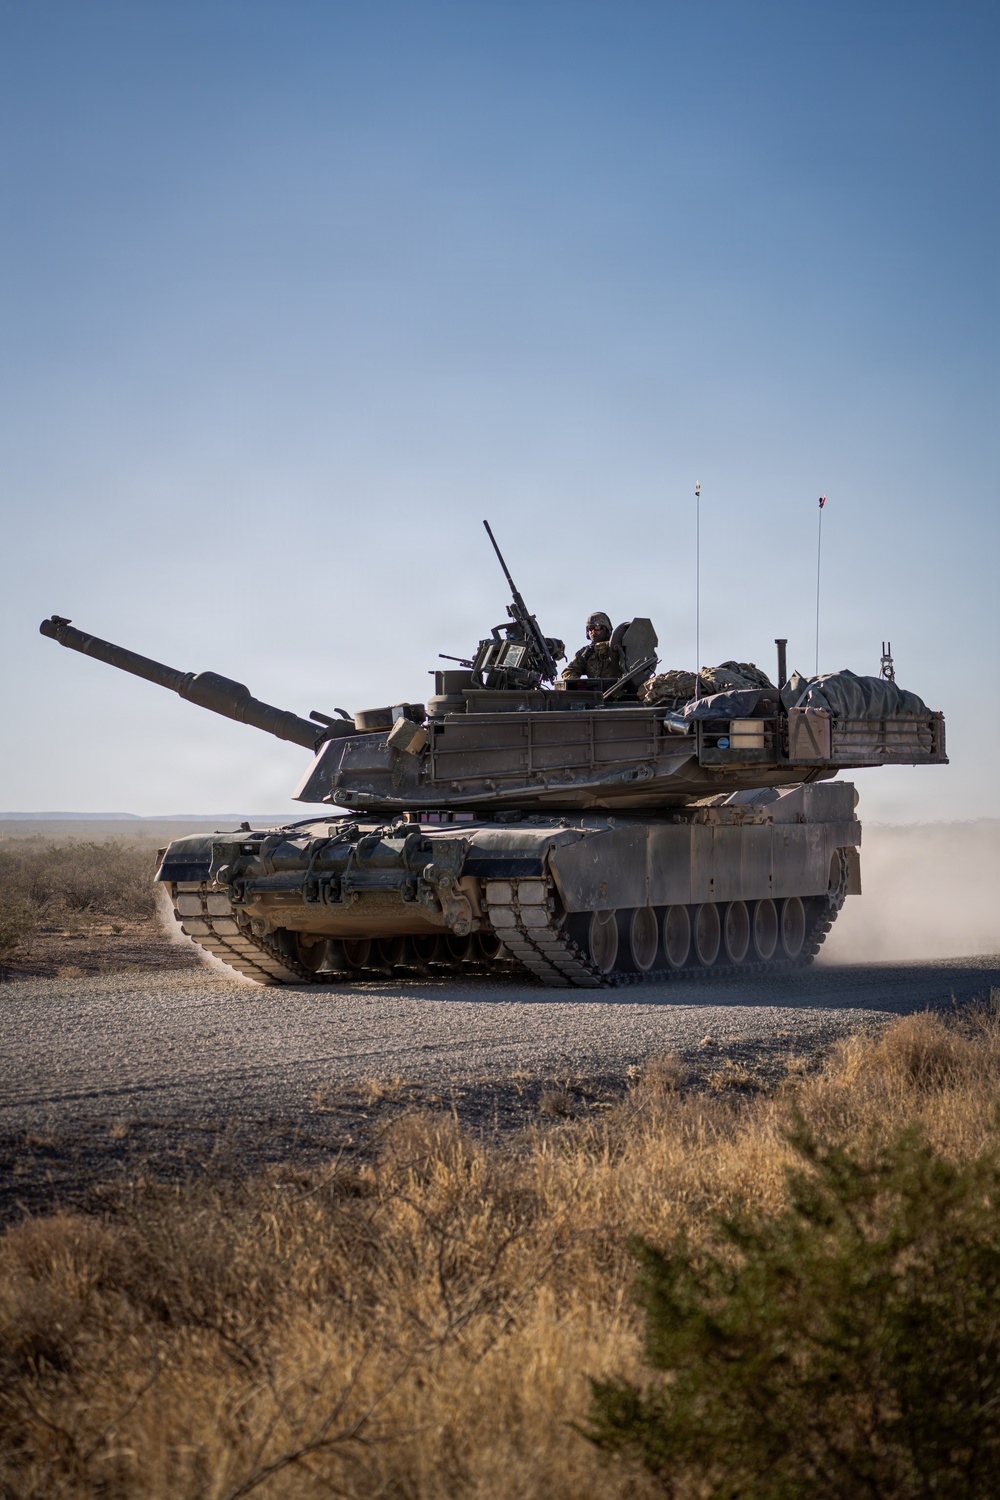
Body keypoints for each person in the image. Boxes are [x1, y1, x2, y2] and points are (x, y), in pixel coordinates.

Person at [561, 612, 626, 683]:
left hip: (619, 690)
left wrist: (608, 646)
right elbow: (568, 672)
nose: (593, 631)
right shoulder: (586, 652)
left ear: (606, 629)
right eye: (590, 628)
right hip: (597, 692)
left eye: (597, 627)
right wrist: (581, 685)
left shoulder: (619, 646)